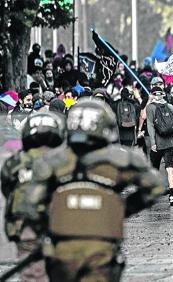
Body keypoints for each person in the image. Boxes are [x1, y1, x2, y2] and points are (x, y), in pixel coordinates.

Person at [18, 99, 164, 282]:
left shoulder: (52, 161)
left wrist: (54, 220)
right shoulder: (121, 158)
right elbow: (156, 185)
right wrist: (122, 208)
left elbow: (30, 205)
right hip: (101, 247)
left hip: (62, 247)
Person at [1, 111, 66, 282]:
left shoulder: (16, 161)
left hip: (26, 227)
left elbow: (7, 188)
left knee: (31, 274)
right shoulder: (67, 160)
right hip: (64, 225)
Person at [146, 86, 173, 206]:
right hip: (171, 143)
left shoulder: (150, 107)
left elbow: (150, 125)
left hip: (158, 144)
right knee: (170, 168)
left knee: (154, 168)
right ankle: (171, 195)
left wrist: (153, 143)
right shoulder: (170, 106)